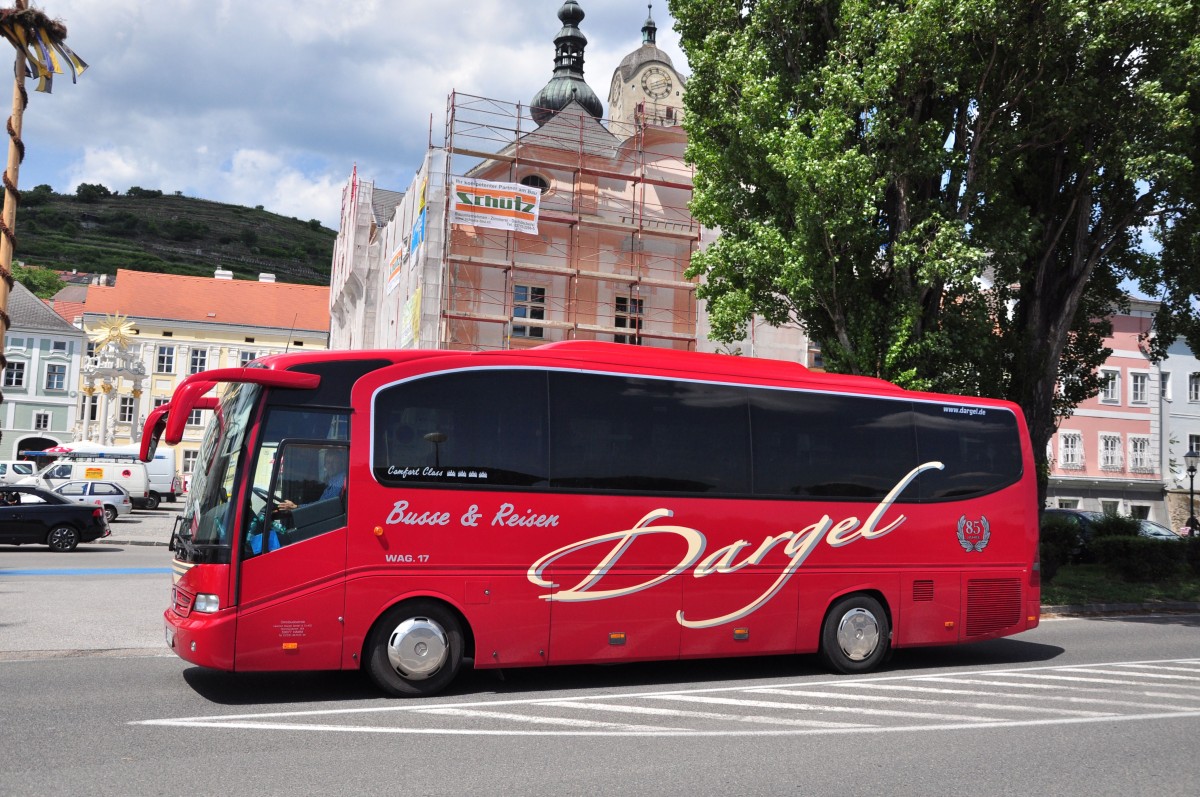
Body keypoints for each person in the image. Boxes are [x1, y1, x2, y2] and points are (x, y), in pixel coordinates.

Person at [274, 447, 347, 512]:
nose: (330, 466)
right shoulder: (332, 480)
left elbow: (324, 506)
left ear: (340, 464)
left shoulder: (339, 481)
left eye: (333, 462)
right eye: (328, 462)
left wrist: (296, 507)